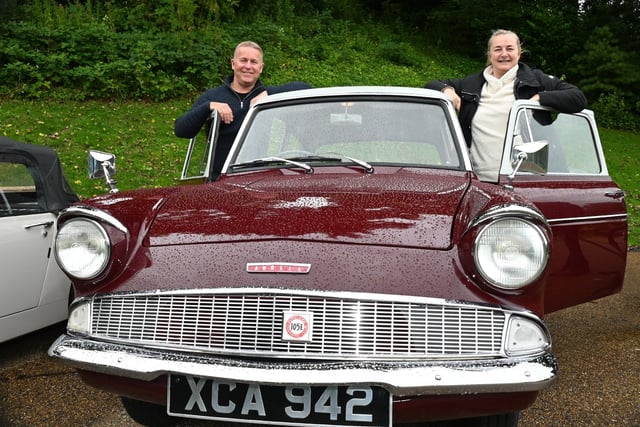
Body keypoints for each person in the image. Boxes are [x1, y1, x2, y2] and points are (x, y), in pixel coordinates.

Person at [425, 29, 587, 182]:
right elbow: (432, 84)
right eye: (497, 49)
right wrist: (447, 90)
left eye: (510, 48)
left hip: (524, 178)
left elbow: (578, 99)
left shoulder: (535, 81)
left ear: (519, 53)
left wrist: (539, 98)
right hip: (478, 179)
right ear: (489, 55)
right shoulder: (471, 84)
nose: (504, 54)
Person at [174, 40, 311, 177]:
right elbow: (181, 130)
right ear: (233, 64)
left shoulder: (268, 96)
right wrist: (209, 106)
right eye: (243, 60)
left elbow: (306, 89)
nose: (248, 66)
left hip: (259, 174)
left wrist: (268, 94)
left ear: (261, 68)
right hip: (220, 177)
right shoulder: (212, 96)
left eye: (253, 62)